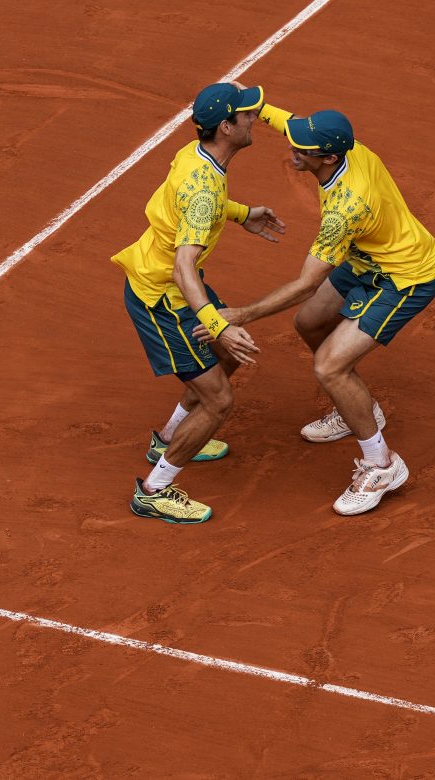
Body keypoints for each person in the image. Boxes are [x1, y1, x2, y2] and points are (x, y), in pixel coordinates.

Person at [196, 99, 435, 516]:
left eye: (302, 149)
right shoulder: (346, 148)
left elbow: (306, 283)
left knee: (329, 365)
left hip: (404, 277)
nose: (293, 148)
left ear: (328, 157)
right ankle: (359, 408)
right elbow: (286, 121)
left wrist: (239, 315)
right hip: (368, 258)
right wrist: (247, 100)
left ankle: (381, 466)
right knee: (309, 322)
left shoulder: (345, 210)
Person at [112, 82, 286, 524]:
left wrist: (243, 214)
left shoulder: (196, 157)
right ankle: (154, 490)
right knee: (219, 401)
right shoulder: (204, 189)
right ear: (225, 127)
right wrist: (217, 321)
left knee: (225, 355)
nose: (254, 121)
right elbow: (183, 267)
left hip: (171, 286)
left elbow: (196, 203)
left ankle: (168, 436)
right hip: (163, 299)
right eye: (247, 116)